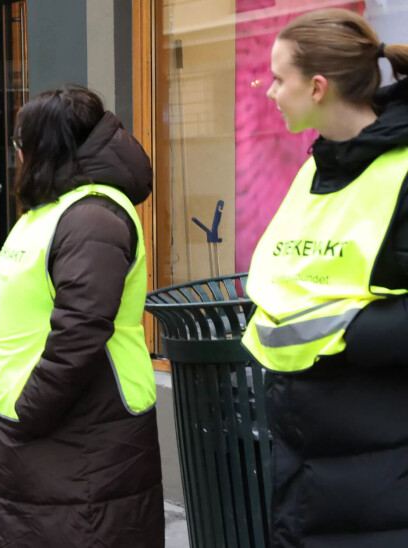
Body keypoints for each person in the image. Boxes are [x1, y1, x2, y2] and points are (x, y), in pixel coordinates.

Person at [242, 9, 408, 546]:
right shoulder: (316, 168)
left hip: (380, 474)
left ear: (317, 87)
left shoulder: (400, 171)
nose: (267, 91)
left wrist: (342, 333)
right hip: (305, 462)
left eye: (277, 78)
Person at [0, 86, 163, 546]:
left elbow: (82, 326)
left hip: (77, 432)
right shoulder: (54, 209)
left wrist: (28, 409)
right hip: (34, 433)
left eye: (22, 142)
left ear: (47, 145)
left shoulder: (92, 216)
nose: (17, 153)